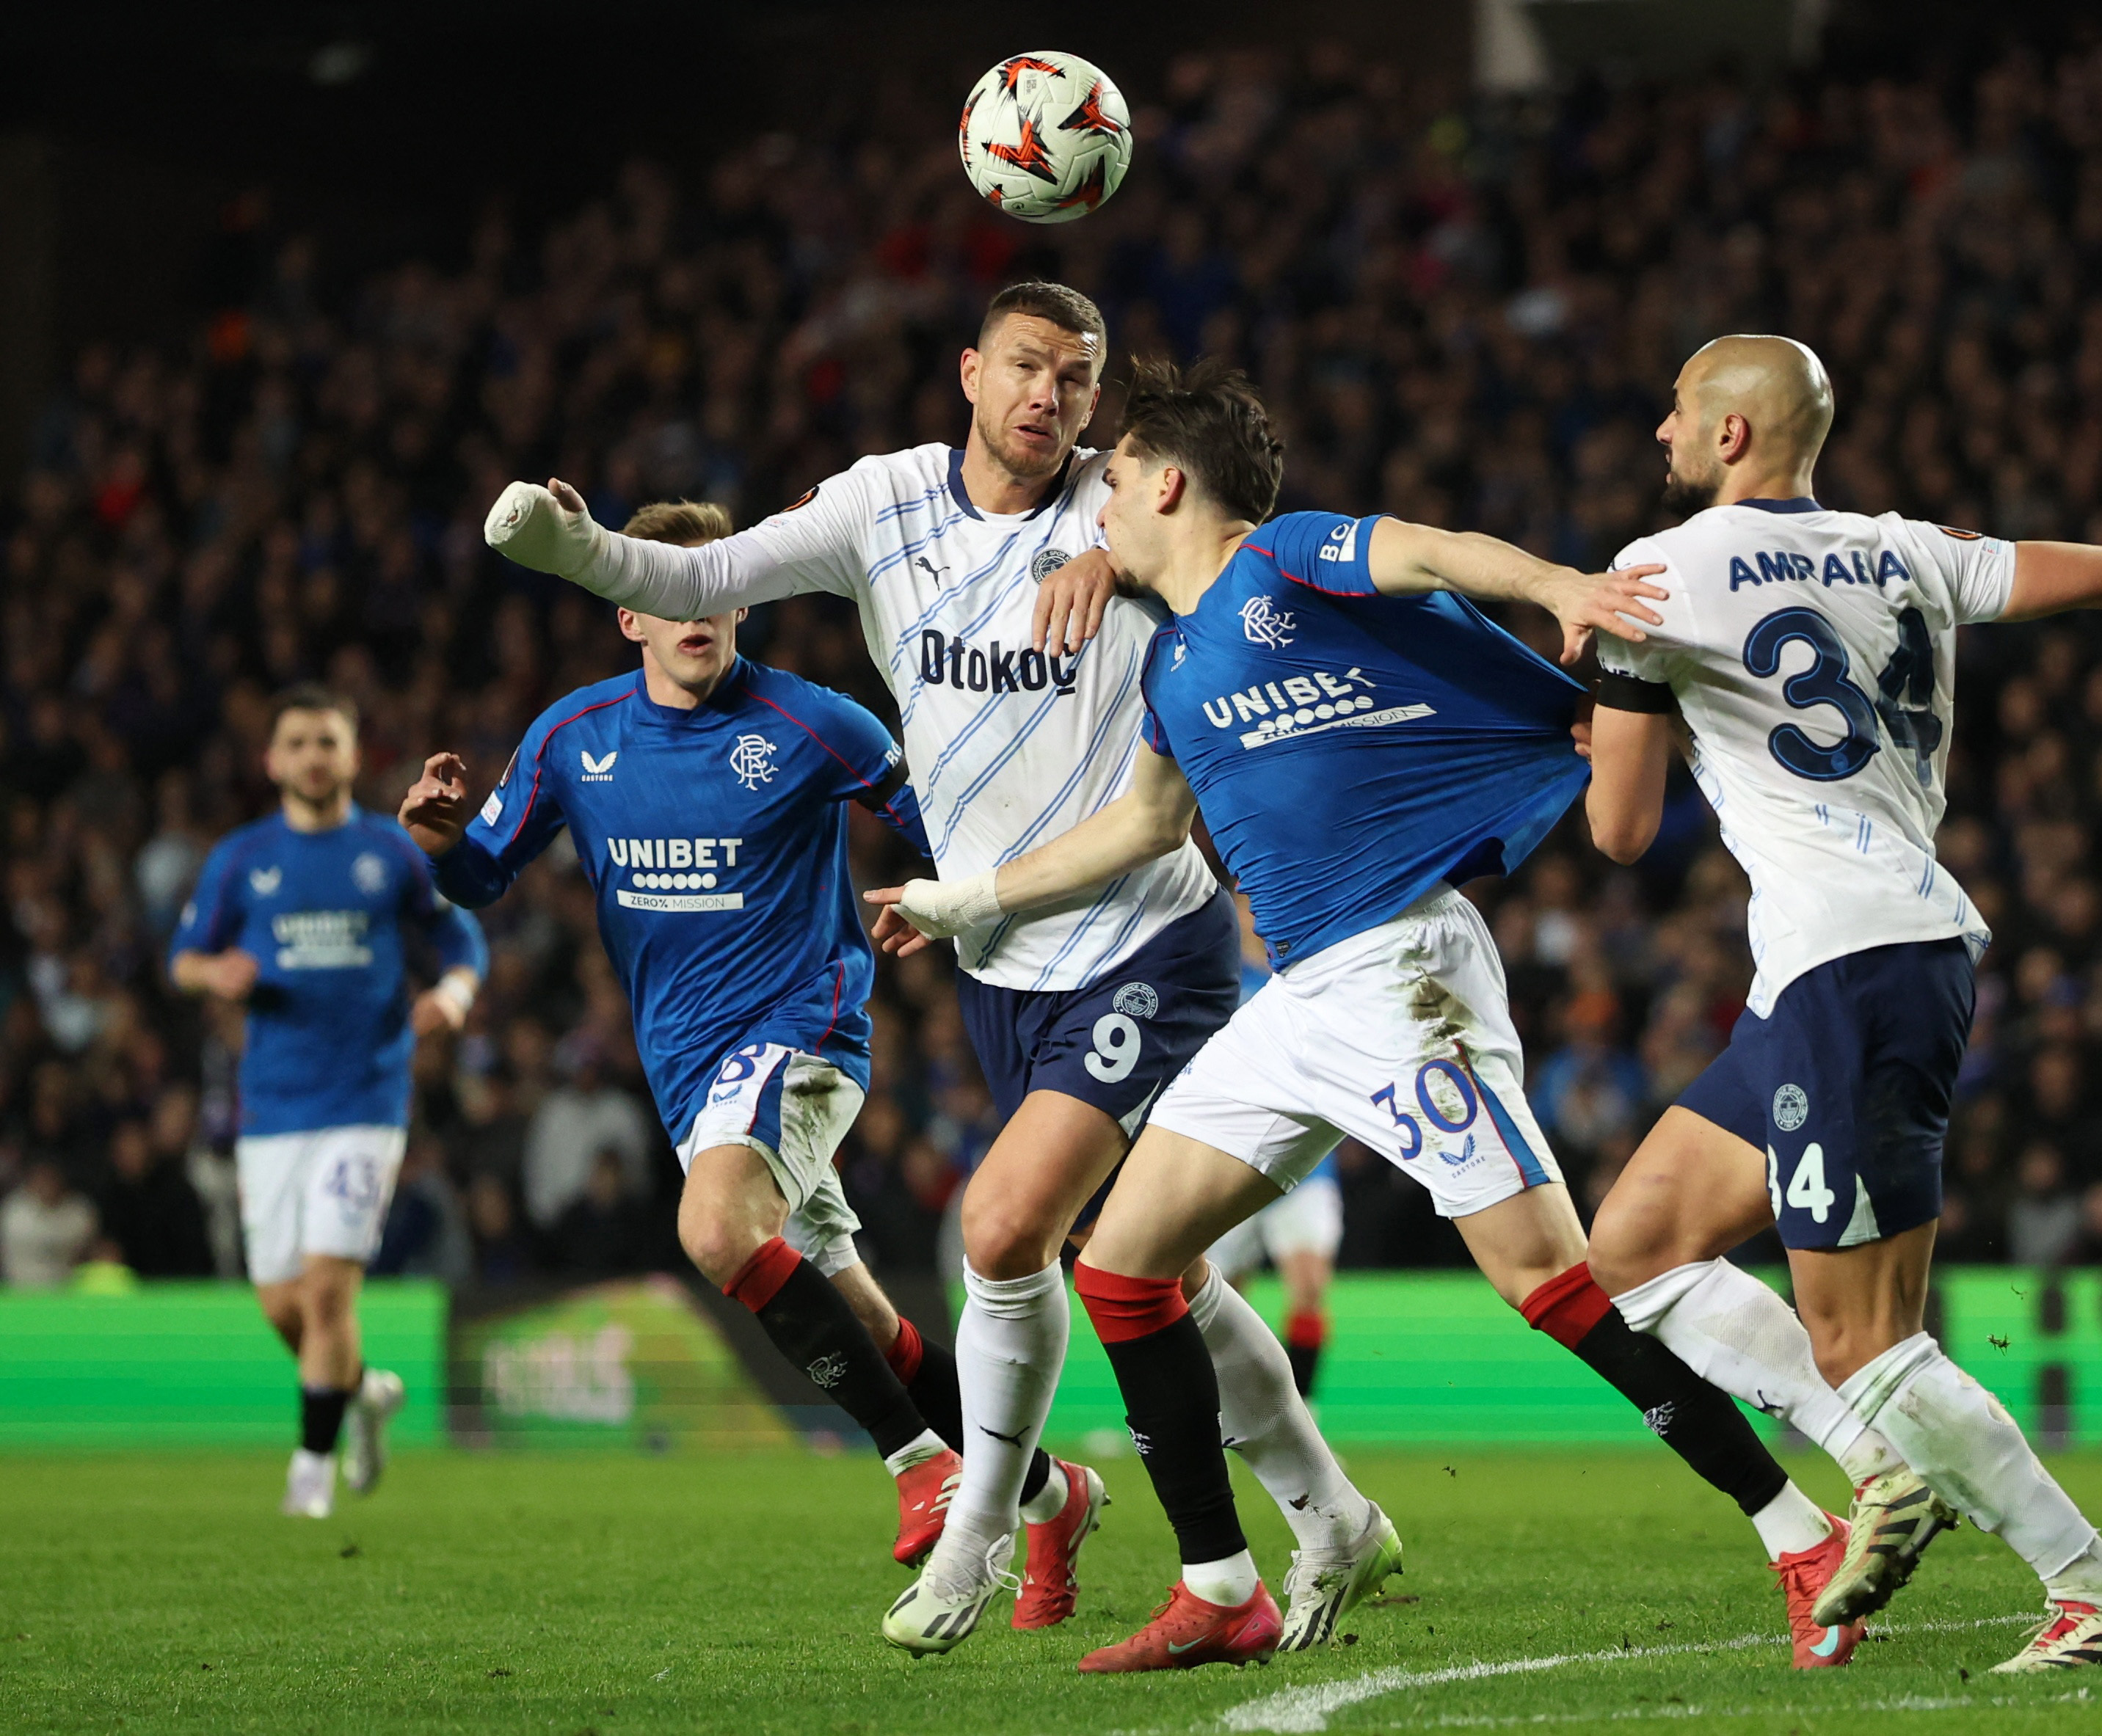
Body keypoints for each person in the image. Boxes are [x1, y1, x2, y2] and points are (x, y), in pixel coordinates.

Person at [874, 357, 1861, 1674]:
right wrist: (965, 897)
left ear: (1168, 480)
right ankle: (1222, 1584)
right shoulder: (1170, 665)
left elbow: (1432, 554)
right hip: (1298, 1001)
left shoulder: (1282, 560)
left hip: (1403, 975)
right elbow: (1142, 826)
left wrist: (1563, 587)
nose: (1095, 504)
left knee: (1553, 1283)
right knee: (1121, 1263)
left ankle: (1799, 1527)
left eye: (1111, 480)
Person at [480, 283, 1376, 1656]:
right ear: (969, 371)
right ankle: (1332, 1518)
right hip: (1000, 957)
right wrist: (582, 547)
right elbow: (704, 578)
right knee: (1156, 1266)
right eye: (1027, 367)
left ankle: (975, 1524)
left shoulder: (1124, 500)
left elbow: (1246, 545)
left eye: (1078, 381)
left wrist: (1125, 560)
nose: (1052, 398)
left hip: (1147, 930)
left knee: (1005, 1232)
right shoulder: (882, 502)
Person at [1578, 334, 2102, 1673]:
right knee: (1640, 1245)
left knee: (1862, 1337)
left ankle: (2097, 1590)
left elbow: (1618, 831)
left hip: (1853, 958)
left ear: (1727, 435)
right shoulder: (1905, 549)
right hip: (1859, 957)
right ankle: (1887, 1467)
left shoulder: (1651, 577)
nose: (1656, 430)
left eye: (1672, 408)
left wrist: (1603, 685)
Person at [399, 499, 1078, 1574]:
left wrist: (954, 895)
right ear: (630, 612)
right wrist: (438, 843)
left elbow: (956, 827)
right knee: (863, 1316)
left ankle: (917, 1465)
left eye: (715, 582)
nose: (695, 606)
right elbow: (481, 877)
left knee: (714, 1231)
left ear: (745, 596)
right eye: (669, 588)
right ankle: (1047, 1492)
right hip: (688, 1075)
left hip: (803, 1032)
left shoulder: (817, 723)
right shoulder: (572, 740)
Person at [170, 685, 489, 1517]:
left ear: (353, 755)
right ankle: (367, 1391)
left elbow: (460, 938)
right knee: (280, 1301)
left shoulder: (391, 851)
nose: (315, 755)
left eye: (329, 741)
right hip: (272, 1106)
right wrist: (217, 973)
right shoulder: (242, 858)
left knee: (325, 1293)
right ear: (273, 760)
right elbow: (184, 957)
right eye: (300, 742)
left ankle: (309, 1470)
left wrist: (452, 995)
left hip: (366, 1097)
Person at [1201, 897, 1340, 1397]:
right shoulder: (1216, 980)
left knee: (1309, 1287)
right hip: (1233, 1160)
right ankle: (1233, 1411)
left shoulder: (1310, 975)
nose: (1254, 917)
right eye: (1243, 907)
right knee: (1223, 1300)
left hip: (1308, 1165)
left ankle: (1303, 1413)